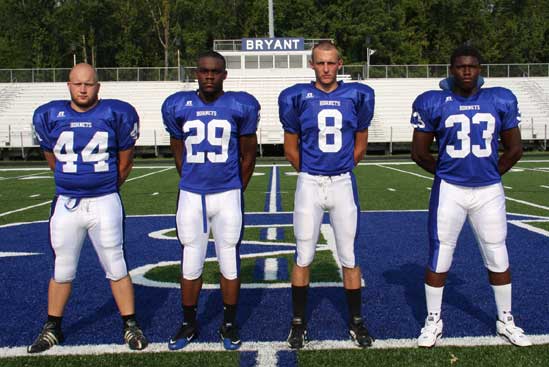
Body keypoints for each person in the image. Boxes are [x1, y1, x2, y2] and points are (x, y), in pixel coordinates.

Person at [410, 45, 531, 348]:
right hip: (450, 189)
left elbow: (515, 149)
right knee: (441, 254)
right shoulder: (432, 102)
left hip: (489, 191)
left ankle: (506, 320)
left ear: (480, 70)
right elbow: (419, 153)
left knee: (497, 252)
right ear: (451, 69)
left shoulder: (499, 99)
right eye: (461, 66)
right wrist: (450, 174)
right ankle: (433, 320)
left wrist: (489, 173)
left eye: (472, 66)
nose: (467, 71)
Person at [29, 63, 148, 353]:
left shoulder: (115, 113)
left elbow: (125, 159)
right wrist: (73, 183)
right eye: (77, 83)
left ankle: (130, 325)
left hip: (105, 200)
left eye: (89, 83)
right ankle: (52, 326)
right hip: (67, 202)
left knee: (116, 263)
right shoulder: (49, 115)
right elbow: (51, 157)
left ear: (98, 86)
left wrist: (103, 185)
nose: (83, 89)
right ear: (68, 85)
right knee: (63, 267)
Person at [278, 40, 375, 349]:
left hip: (343, 183)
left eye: (331, 63)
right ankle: (297, 323)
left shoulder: (357, 95)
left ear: (340, 63)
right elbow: (291, 147)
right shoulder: (297, 97)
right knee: (303, 254)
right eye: (320, 63)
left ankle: (356, 322)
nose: (326, 68)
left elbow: (360, 143)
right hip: (309, 182)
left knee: (348, 254)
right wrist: (312, 172)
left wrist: (341, 169)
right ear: (312, 64)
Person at [162, 51, 259, 351]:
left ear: (224, 75)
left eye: (215, 71)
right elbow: (178, 150)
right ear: (195, 72)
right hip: (191, 195)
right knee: (191, 260)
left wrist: (233, 188)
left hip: (227, 194)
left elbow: (248, 154)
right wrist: (192, 179)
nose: (208, 76)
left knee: (229, 258)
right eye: (204, 71)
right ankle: (189, 322)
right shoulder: (178, 105)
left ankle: (229, 323)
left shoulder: (239, 105)